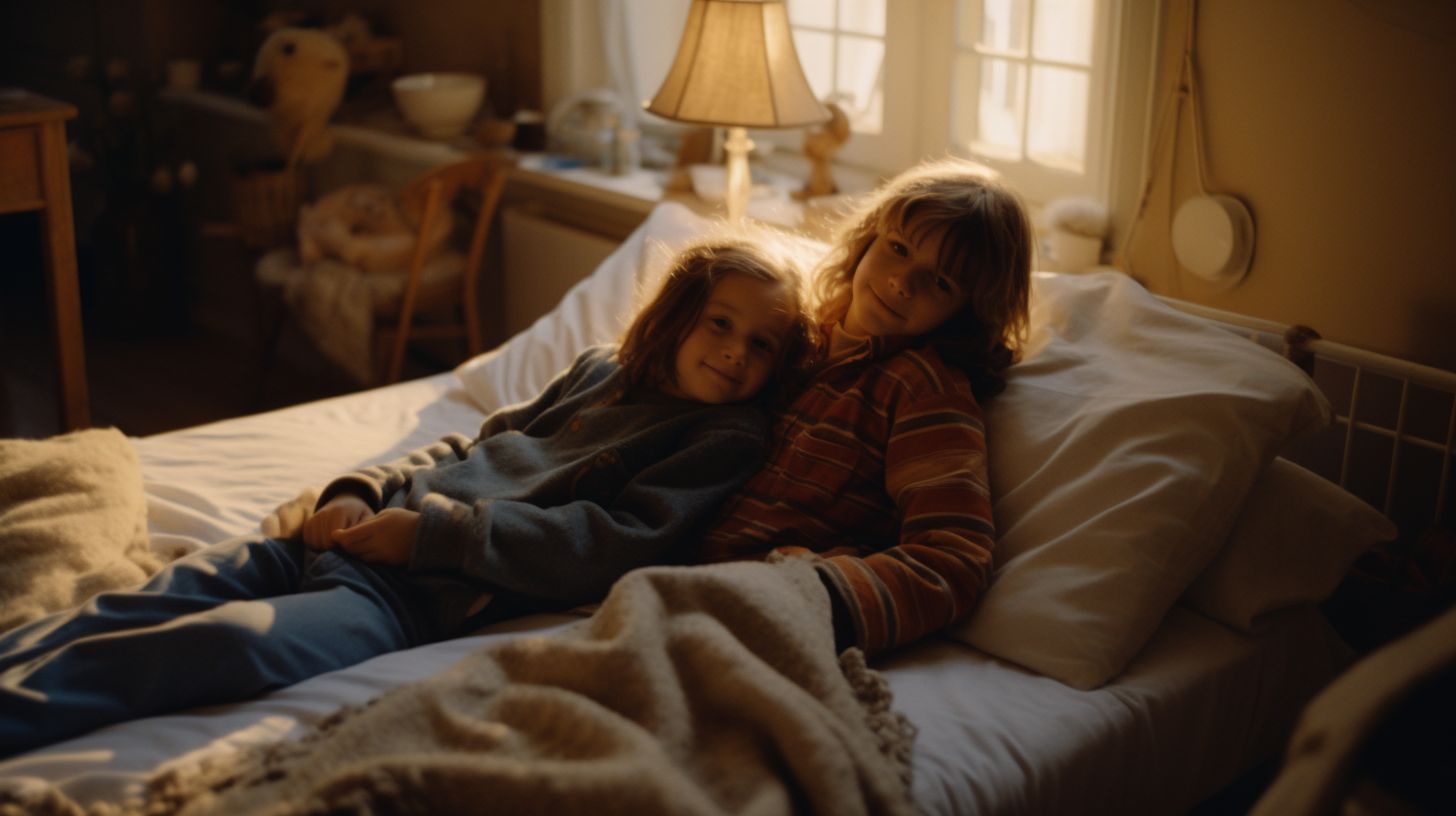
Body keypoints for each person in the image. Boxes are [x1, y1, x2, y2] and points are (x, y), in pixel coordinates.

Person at [0, 238, 816, 757]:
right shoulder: (601, 367)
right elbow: (473, 442)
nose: (735, 353)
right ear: (678, 315)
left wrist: (429, 540)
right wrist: (357, 489)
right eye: (720, 323)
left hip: (415, 592)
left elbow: (605, 541)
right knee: (154, 595)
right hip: (346, 532)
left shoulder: (725, 440)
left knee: (230, 644)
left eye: (760, 345)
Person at [700, 157, 1034, 658]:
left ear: (968, 311)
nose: (903, 282)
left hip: (764, 600)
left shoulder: (922, 389)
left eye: (941, 283)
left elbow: (953, 558)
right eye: (897, 249)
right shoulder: (790, 335)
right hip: (668, 558)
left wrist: (816, 592)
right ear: (867, 240)